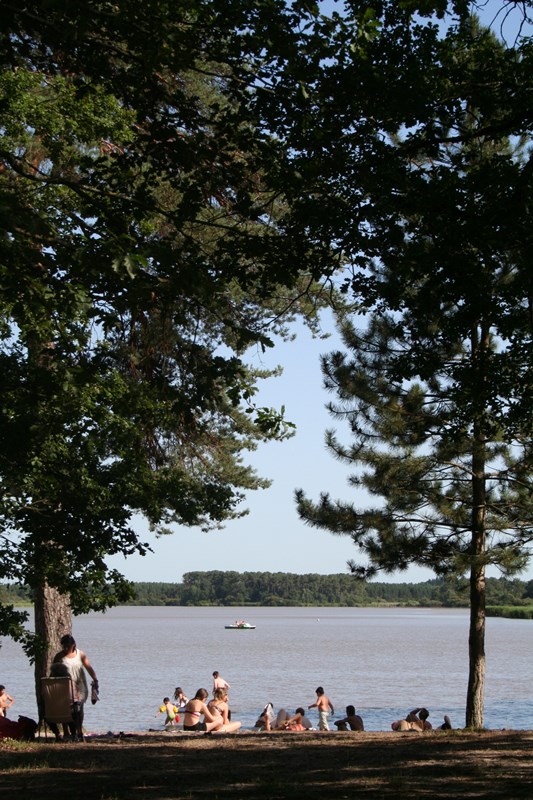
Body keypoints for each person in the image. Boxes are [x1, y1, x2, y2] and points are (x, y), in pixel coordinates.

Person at [53, 634, 98, 739]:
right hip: (64, 687)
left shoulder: (80, 654)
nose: (65, 648)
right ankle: (66, 732)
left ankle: (79, 731)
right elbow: (54, 671)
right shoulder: (59, 656)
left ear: (73, 645)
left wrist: (95, 680)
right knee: (65, 709)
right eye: (63, 646)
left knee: (79, 709)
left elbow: (89, 668)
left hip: (80, 686)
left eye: (67, 646)